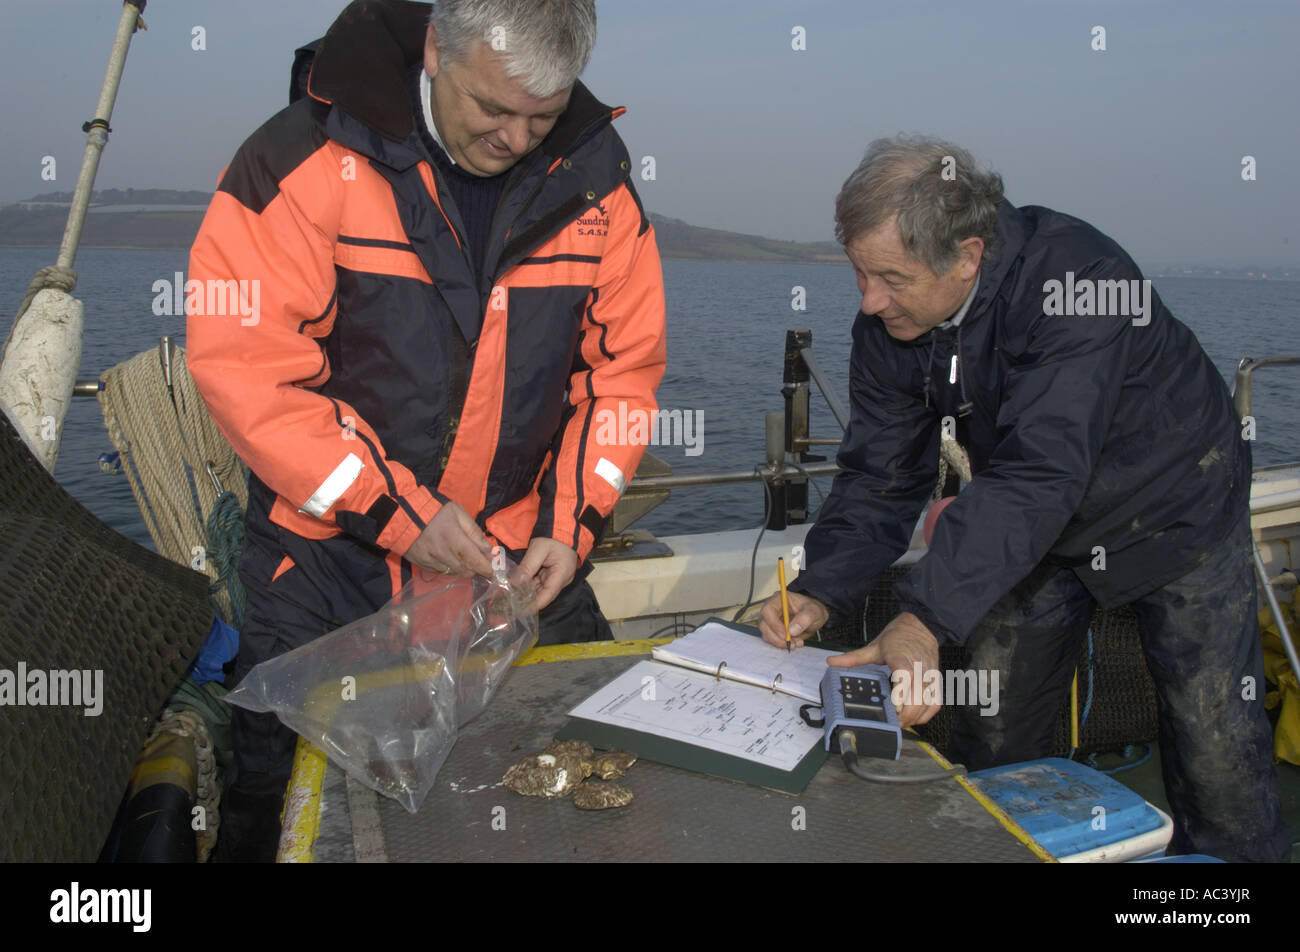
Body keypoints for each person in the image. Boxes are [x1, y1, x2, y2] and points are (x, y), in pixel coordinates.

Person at [187, 0, 666, 861]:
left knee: (594, 770)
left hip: (515, 565)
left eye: (543, 116)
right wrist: (400, 514)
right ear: (437, 50)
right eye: (493, 109)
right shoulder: (296, 160)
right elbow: (249, 368)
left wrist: (569, 524)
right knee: (279, 811)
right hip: (327, 566)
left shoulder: (599, 175)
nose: (518, 139)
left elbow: (621, 374)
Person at [758, 135, 1290, 862]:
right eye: (859, 273)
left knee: (1213, 743)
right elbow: (881, 473)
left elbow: (1043, 471)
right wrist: (822, 587)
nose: (869, 301)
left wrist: (924, 621)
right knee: (998, 727)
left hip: (1175, 503)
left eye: (889, 277)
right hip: (1032, 523)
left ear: (968, 256)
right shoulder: (890, 321)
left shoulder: (1084, 279)